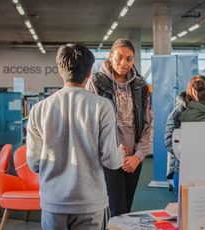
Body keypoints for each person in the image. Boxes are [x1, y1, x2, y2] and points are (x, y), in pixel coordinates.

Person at [26, 44, 123, 229]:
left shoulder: (38, 109)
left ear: (59, 71)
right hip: (90, 202)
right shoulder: (102, 106)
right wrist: (121, 155)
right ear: (89, 74)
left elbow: (34, 163)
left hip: (53, 202)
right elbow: (111, 160)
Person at [86, 38, 152, 217]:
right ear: (110, 57)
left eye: (129, 59)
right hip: (108, 157)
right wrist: (112, 150)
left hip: (133, 159)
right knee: (115, 210)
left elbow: (148, 124)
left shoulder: (140, 85)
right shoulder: (96, 82)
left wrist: (138, 156)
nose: (124, 63)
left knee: (126, 211)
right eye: (119, 58)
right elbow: (90, 123)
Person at [164, 75, 205, 196]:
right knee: (185, 209)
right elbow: (169, 141)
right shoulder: (179, 111)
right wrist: (188, 153)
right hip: (184, 168)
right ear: (192, 91)